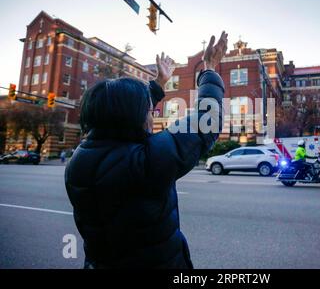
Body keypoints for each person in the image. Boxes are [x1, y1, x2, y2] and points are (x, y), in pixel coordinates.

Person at [65, 32, 228, 269]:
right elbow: (207, 121)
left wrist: (159, 85)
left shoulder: (78, 161)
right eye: (150, 112)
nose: (152, 118)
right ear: (135, 118)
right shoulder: (143, 163)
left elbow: (119, 111)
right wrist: (210, 69)